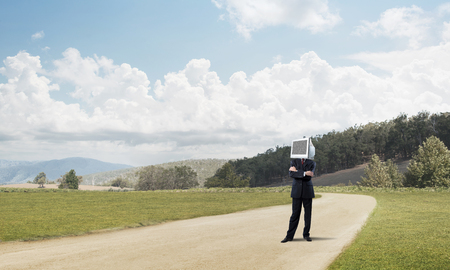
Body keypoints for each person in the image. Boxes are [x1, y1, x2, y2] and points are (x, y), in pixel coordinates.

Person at [281, 157, 316, 243]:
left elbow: (309, 177)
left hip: (307, 191)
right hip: (296, 191)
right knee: (295, 214)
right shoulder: (294, 161)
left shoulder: (312, 163)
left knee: (307, 214)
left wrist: (297, 171)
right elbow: (291, 174)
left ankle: (306, 234)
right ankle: (289, 236)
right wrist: (304, 173)